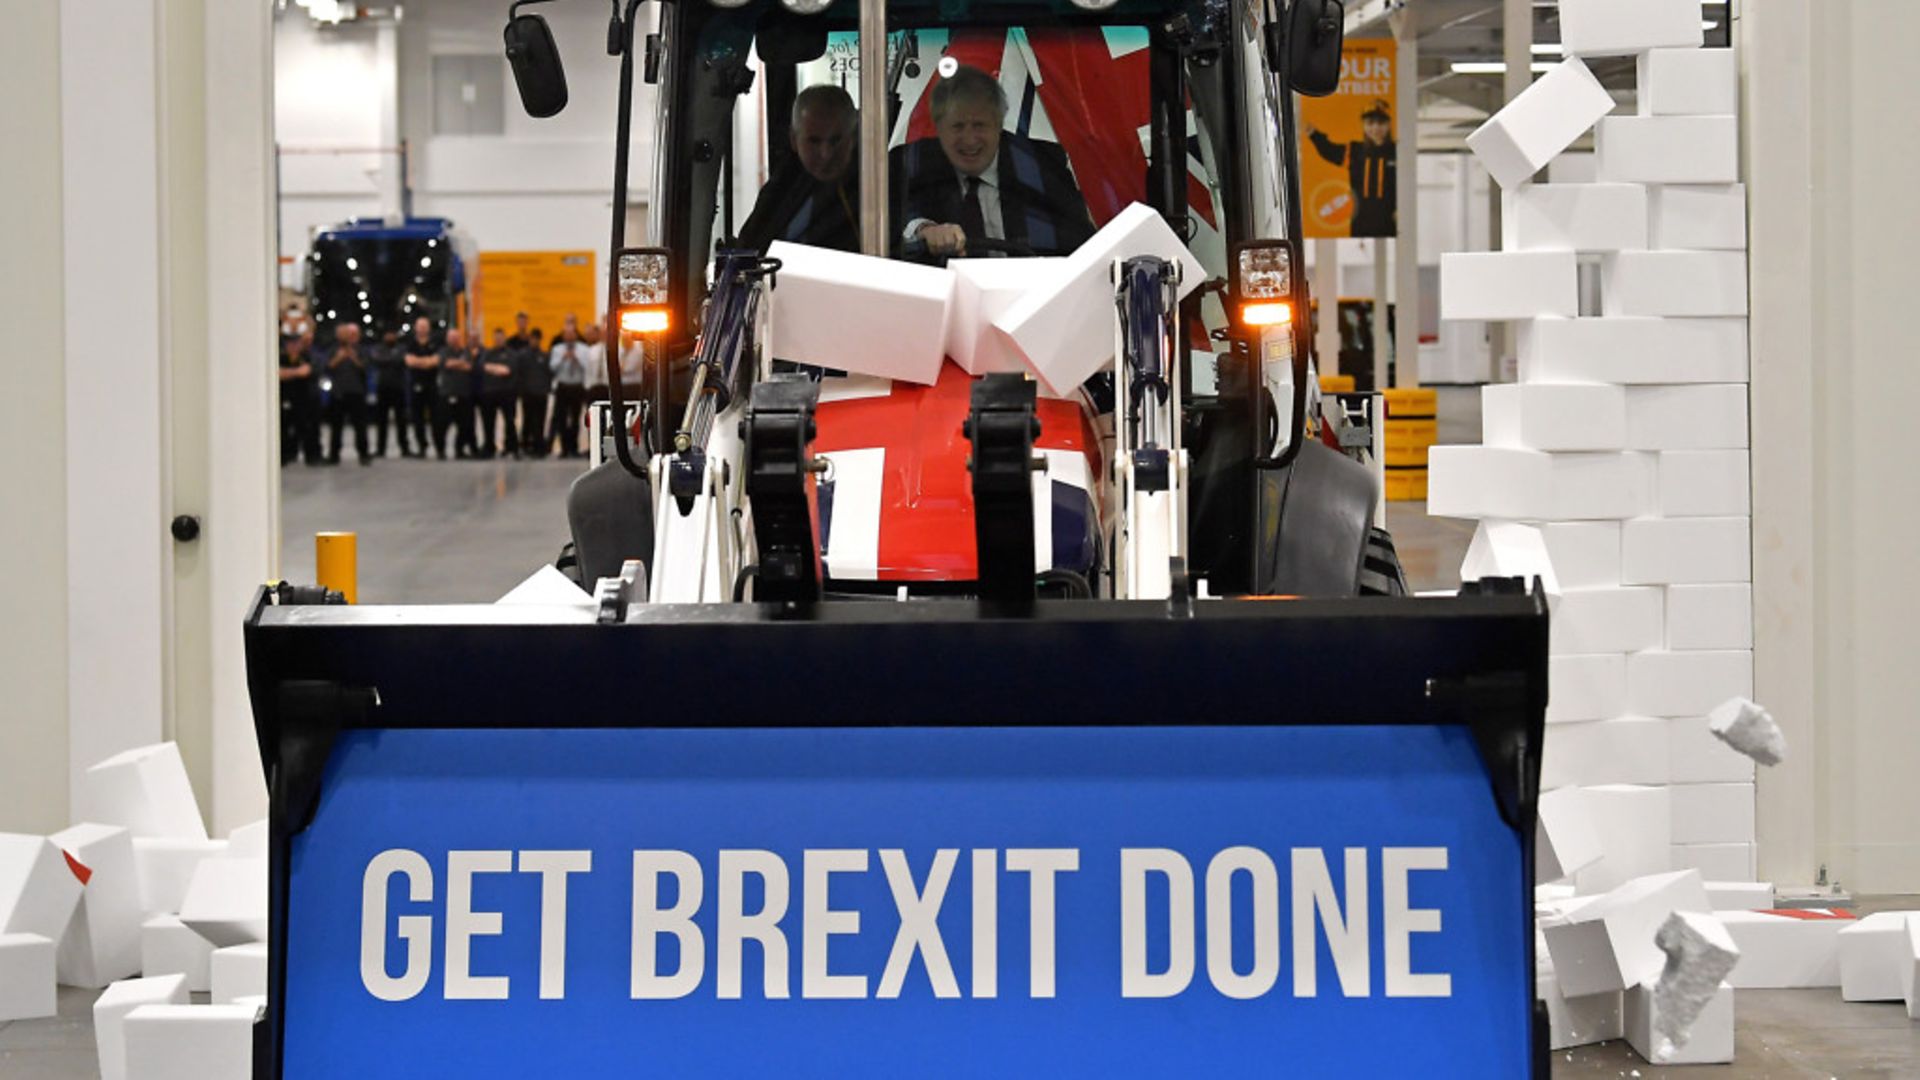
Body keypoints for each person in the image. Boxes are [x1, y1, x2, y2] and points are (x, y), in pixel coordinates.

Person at [899, 65, 1095, 259]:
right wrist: (925, 229)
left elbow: (1080, 245)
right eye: (957, 126)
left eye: (979, 125)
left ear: (999, 124)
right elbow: (888, 225)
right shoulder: (910, 165)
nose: (969, 139)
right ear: (938, 128)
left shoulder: (1043, 167)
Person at [738, 84, 861, 253]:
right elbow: (749, 247)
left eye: (835, 140)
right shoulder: (781, 189)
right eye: (814, 141)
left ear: (853, 138)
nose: (826, 154)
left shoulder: (870, 196)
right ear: (794, 140)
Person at [1306, 100, 1397, 238]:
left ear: (1388, 125)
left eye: (1381, 123)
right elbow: (1329, 151)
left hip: (1390, 220)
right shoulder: (1355, 150)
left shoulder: (1398, 152)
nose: (1376, 128)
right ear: (1364, 125)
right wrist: (1314, 135)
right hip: (1361, 221)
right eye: (1370, 123)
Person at [322, 322, 373, 466]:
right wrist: (338, 358)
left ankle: (363, 454)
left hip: (356, 392)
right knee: (336, 425)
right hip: (338, 392)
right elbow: (327, 368)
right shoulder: (333, 350)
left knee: (360, 426)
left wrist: (353, 357)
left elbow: (366, 368)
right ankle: (334, 455)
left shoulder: (361, 350)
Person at [278, 319, 322, 466]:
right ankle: (286, 455)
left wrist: (289, 372)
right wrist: (294, 372)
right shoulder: (282, 357)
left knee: (309, 428)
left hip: (306, 398)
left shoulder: (309, 356)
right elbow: (278, 374)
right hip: (287, 397)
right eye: (290, 343)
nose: (293, 346)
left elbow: (306, 371)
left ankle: (313, 456)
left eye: (296, 343)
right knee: (284, 428)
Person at [435, 328, 479, 459]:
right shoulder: (443, 351)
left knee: (464, 425)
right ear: (447, 339)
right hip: (446, 394)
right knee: (442, 425)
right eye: (452, 337)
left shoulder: (465, 351)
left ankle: (459, 450)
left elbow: (469, 366)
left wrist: (455, 363)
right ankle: (441, 450)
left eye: (456, 337)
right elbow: (446, 364)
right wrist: (461, 363)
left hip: (463, 394)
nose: (454, 340)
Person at [402, 317, 442, 456]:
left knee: (436, 418)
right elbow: (409, 361)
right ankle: (422, 447)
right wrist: (427, 361)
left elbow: (436, 361)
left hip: (432, 385)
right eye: (420, 326)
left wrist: (419, 361)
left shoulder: (435, 343)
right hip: (416, 385)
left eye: (425, 326)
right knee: (417, 419)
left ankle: (439, 447)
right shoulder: (410, 344)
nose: (423, 329)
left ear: (429, 328)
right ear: (416, 328)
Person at [368, 328, 411, 458]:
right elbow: (377, 360)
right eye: (388, 334)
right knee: (381, 421)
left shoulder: (402, 348)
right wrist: (393, 359)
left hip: (399, 388)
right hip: (383, 388)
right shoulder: (378, 348)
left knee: (401, 421)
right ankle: (381, 449)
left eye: (392, 334)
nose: (390, 336)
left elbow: (401, 360)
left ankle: (405, 448)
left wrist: (388, 360)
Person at [549, 324, 591, 459]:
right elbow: (552, 367)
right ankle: (564, 448)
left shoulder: (584, 349)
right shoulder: (557, 349)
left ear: (576, 335)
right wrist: (563, 358)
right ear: (563, 336)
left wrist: (577, 358)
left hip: (577, 386)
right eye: (566, 334)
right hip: (563, 386)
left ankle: (574, 448)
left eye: (572, 333)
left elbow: (587, 367)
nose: (569, 336)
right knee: (561, 419)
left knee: (575, 418)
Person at [478, 327, 520, 459]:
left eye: (500, 337)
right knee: (488, 422)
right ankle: (489, 448)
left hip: (507, 393)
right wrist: (497, 369)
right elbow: (482, 366)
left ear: (504, 338)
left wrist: (492, 368)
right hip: (489, 393)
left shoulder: (512, 354)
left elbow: (507, 370)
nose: (498, 340)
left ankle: (512, 448)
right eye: (496, 338)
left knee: (510, 422)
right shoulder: (488, 353)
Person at [516, 325, 552, 458]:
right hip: (527, 393)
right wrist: (521, 390)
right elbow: (519, 373)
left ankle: (539, 446)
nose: (535, 341)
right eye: (533, 339)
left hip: (541, 393)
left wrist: (547, 388)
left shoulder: (544, 355)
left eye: (537, 339)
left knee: (541, 420)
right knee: (527, 420)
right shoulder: (523, 356)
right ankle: (525, 445)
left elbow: (549, 374)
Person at [583, 323, 609, 404]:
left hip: (608, 387)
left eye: (606, 333)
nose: (604, 335)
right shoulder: (592, 350)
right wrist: (587, 387)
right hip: (593, 387)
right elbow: (587, 370)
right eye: (602, 333)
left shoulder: (618, 350)